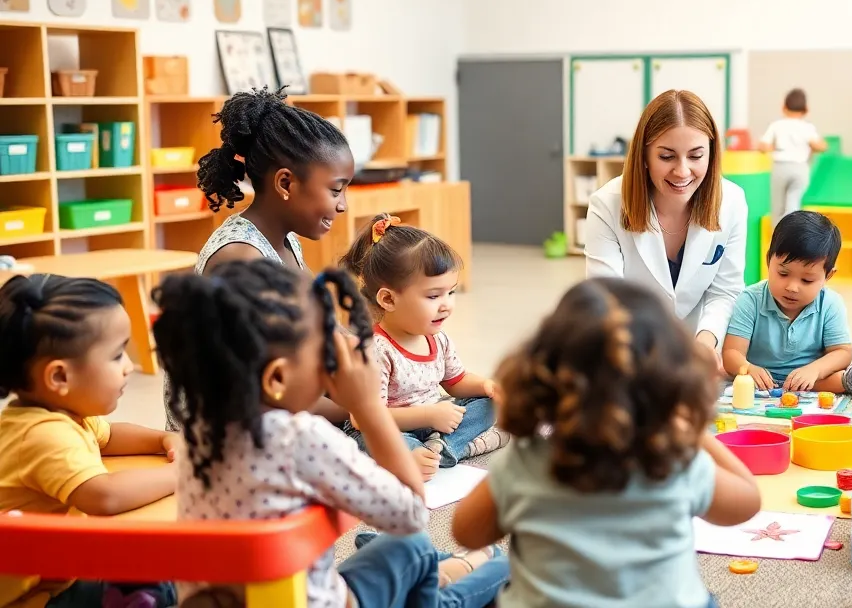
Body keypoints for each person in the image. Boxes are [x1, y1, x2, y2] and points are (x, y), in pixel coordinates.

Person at [155, 260, 508, 608]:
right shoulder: (299, 438)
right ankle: (453, 581)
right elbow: (410, 514)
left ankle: (444, 571)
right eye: (323, 353)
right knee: (495, 564)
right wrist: (368, 408)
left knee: (407, 551)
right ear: (277, 379)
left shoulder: (202, 433)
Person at [451, 278, 761, 608]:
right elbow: (747, 502)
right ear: (671, 381)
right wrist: (692, 432)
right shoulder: (675, 460)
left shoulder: (522, 463)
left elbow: (467, 534)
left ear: (545, 373)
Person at [162, 85, 355, 432]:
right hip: (231, 435)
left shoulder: (283, 236)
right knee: (384, 436)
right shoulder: (241, 257)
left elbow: (323, 321)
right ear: (285, 183)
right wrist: (362, 407)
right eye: (336, 190)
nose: (343, 205)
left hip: (284, 398)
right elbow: (267, 389)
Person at [0, 275, 177, 608]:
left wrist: (163, 438)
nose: (128, 368)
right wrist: (180, 474)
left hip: (56, 573)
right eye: (116, 356)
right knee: (161, 587)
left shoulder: (60, 414)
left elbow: (108, 436)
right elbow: (103, 496)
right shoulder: (41, 435)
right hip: (34, 598)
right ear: (60, 377)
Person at [585, 89, 747, 374]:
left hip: (698, 350)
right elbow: (605, 298)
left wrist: (705, 342)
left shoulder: (732, 202)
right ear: (644, 156)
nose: (682, 171)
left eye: (696, 156)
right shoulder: (607, 204)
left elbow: (725, 291)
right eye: (667, 156)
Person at [339, 213, 506, 481]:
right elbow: (363, 419)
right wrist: (429, 415)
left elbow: (456, 381)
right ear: (388, 299)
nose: (446, 304)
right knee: (371, 440)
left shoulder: (437, 338)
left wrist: (487, 386)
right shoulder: (375, 350)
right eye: (433, 296)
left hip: (431, 421)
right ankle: (432, 451)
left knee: (489, 404)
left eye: (450, 292)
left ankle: (443, 448)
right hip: (386, 427)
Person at [721, 210, 852, 394]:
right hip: (758, 381)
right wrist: (748, 368)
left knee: (837, 380)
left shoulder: (830, 304)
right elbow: (731, 353)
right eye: (783, 274)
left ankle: (845, 381)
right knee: (725, 374)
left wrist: (814, 370)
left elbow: (842, 352)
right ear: (769, 261)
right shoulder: (751, 299)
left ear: (828, 276)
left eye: (807, 280)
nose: (792, 287)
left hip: (810, 381)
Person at [758, 88, 827, 222]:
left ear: (783, 107)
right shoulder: (807, 127)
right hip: (800, 168)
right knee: (793, 203)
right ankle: (793, 232)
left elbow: (762, 146)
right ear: (806, 109)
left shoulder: (777, 125)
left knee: (777, 207)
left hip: (780, 167)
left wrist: (775, 147)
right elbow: (820, 146)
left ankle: (778, 236)